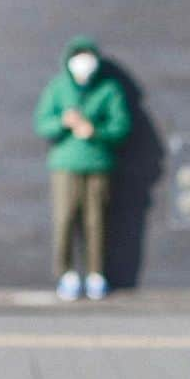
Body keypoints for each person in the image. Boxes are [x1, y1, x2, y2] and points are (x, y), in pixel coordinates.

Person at [33, 36, 130, 301]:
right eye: (78, 57)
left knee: (95, 222)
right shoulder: (58, 87)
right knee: (64, 219)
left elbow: (121, 125)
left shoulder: (108, 89)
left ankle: (96, 274)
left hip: (98, 163)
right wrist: (63, 122)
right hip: (65, 164)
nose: (83, 63)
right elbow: (42, 123)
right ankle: (66, 274)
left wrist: (95, 131)